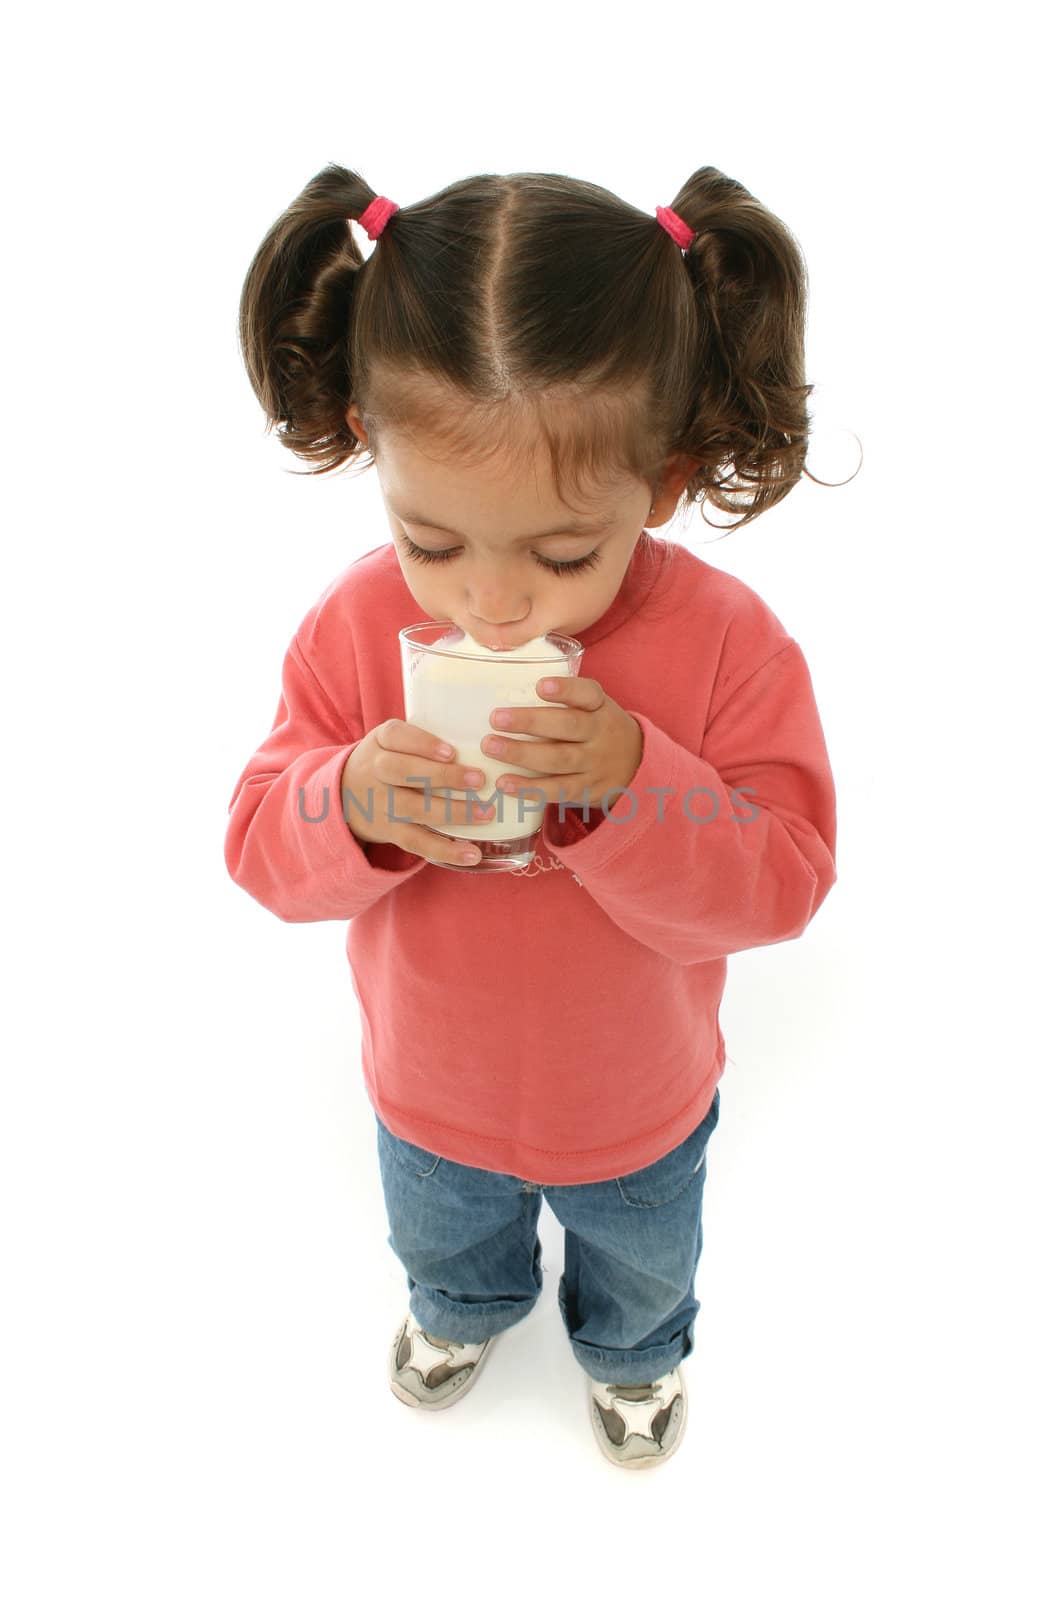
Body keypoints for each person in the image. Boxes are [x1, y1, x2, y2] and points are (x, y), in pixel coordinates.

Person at [224, 164, 839, 1470]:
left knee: (641, 1266)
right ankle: (463, 1312)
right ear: (368, 448)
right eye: (429, 540)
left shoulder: (727, 645)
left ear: (661, 486)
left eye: (562, 555)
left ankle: (631, 1358)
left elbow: (783, 881)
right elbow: (259, 847)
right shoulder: (349, 623)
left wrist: (632, 782)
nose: (494, 605)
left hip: (637, 1103)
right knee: (443, 1240)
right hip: (425, 1091)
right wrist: (353, 802)